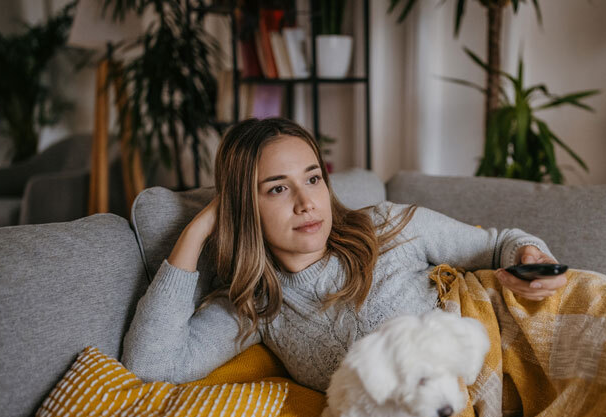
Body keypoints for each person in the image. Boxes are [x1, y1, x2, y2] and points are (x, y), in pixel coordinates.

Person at [121, 117, 567, 391]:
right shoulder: (255, 307)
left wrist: (531, 255)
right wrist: (197, 231)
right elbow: (152, 364)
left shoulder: (388, 226)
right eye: (278, 188)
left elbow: (497, 243)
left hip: (519, 329)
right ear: (243, 206)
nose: (306, 202)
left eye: (313, 179)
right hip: (458, 402)